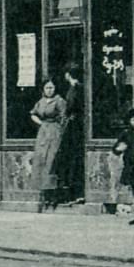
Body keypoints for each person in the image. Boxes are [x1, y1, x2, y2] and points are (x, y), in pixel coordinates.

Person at [28, 79, 66, 212]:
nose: (50, 90)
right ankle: (42, 196)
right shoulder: (41, 102)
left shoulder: (59, 101)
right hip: (43, 132)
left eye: (52, 87)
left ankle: (53, 196)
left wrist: (59, 130)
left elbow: (64, 117)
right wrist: (40, 123)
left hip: (55, 131)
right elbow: (33, 114)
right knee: (40, 160)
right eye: (47, 88)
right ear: (43, 89)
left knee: (51, 161)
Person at [52, 68, 86, 205]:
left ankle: (73, 192)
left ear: (67, 75)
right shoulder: (80, 87)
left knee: (71, 158)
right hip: (76, 126)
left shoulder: (75, 88)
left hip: (73, 128)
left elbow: (70, 107)